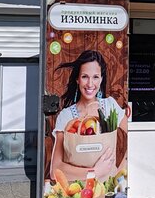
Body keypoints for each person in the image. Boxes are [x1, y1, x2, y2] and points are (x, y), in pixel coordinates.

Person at [49, 49, 129, 183]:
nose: (90, 84)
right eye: (85, 76)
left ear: (101, 79)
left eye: (95, 77)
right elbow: (55, 170)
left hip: (108, 188)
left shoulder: (110, 106)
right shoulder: (66, 116)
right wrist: (95, 172)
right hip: (78, 190)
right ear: (77, 79)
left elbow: (135, 139)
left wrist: (119, 171)